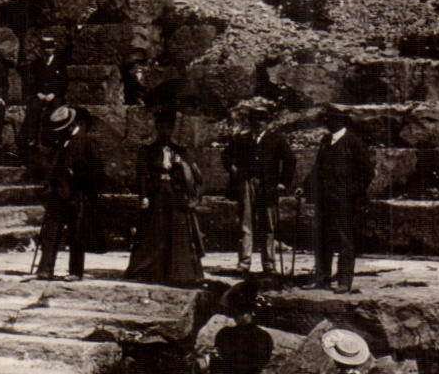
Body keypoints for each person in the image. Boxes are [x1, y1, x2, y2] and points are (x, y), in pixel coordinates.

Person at [125, 108, 205, 286]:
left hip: (175, 195)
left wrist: (179, 165)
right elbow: (142, 175)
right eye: (162, 127)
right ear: (157, 128)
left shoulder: (180, 151)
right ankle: (148, 269)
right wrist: (144, 196)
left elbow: (190, 175)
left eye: (169, 128)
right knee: (153, 231)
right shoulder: (147, 151)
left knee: (177, 233)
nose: (166, 131)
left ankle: (178, 272)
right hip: (156, 194)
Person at [223, 99, 296, 276]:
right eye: (255, 119)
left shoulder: (276, 139)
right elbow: (226, 156)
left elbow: (290, 160)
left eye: (262, 119)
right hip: (247, 183)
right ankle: (244, 262)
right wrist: (233, 169)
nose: (258, 122)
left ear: (267, 121)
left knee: (268, 225)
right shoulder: (242, 139)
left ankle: (269, 264)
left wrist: (283, 183)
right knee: (246, 224)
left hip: (268, 186)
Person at [33, 107, 106, 281]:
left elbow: (98, 173)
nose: (61, 132)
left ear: (72, 124)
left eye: (64, 128)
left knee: (76, 235)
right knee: (50, 233)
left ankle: (75, 271)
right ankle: (45, 269)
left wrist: (79, 176)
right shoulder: (61, 143)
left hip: (77, 195)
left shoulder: (87, 142)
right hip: (58, 195)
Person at [308, 105, 373, 294]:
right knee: (322, 239)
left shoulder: (354, 143)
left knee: (345, 241)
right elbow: (317, 169)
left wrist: (350, 192)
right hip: (325, 200)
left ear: (340, 121)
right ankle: (322, 278)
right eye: (326, 119)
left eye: (330, 119)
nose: (327, 122)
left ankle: (344, 281)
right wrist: (304, 187)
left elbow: (367, 173)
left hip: (346, 202)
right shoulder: (326, 141)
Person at [21, 31, 69, 174]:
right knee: (33, 108)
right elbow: (32, 81)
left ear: (54, 48)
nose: (48, 51)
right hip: (41, 95)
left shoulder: (60, 63)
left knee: (56, 110)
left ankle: (53, 139)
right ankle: (31, 138)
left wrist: (54, 94)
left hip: (54, 96)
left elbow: (64, 81)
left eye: (50, 48)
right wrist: (39, 93)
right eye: (45, 48)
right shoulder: (37, 63)